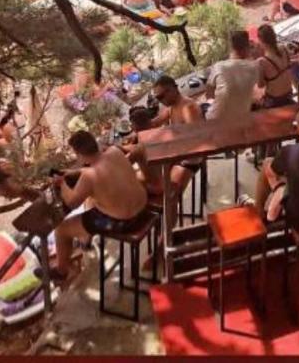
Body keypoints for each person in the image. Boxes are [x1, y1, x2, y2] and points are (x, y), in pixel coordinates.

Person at [51, 130, 148, 281]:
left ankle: (62, 271)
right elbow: (102, 168)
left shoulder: (89, 176)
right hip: (143, 210)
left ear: (78, 154)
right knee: (94, 203)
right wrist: (75, 172)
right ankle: (86, 237)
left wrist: (62, 183)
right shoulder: (115, 152)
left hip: (125, 222)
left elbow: (72, 203)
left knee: (61, 229)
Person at [150, 75, 204, 232]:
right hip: (175, 155)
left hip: (189, 159)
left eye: (161, 96)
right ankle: (161, 218)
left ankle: (167, 237)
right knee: (146, 179)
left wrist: (168, 143)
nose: (160, 100)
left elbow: (196, 139)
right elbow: (154, 122)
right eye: (157, 97)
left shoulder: (188, 108)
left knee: (171, 195)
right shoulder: (171, 106)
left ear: (173, 89)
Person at [206, 30, 260, 124]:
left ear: (231, 47)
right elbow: (260, 93)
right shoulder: (254, 67)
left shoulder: (219, 66)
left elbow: (209, 93)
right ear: (248, 47)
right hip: (240, 120)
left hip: (214, 119)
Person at [123, 107, 164, 197]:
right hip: (165, 181)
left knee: (123, 182)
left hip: (154, 188)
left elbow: (122, 167)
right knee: (136, 172)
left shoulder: (139, 149)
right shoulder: (159, 136)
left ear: (134, 127)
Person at [255, 24, 295, 107]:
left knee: (254, 96)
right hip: (288, 94)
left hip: (274, 100)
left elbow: (260, 85)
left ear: (261, 41)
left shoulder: (262, 61)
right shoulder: (284, 48)